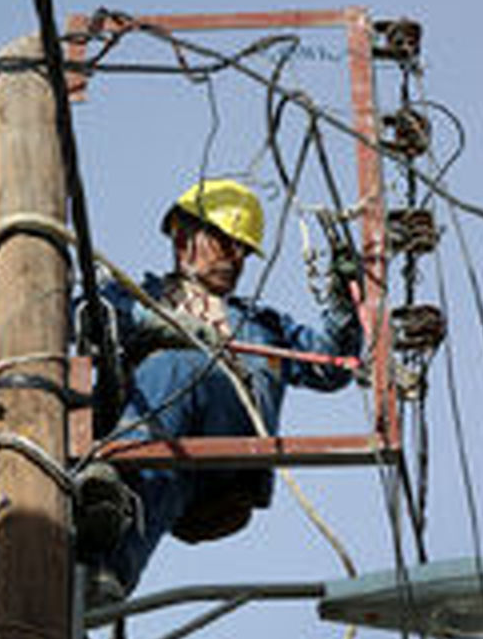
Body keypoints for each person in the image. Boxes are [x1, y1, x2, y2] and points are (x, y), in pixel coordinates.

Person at [74, 178, 363, 604]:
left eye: (244, 250)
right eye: (227, 242)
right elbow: (82, 315)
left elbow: (332, 367)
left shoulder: (265, 325)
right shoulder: (136, 297)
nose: (237, 258)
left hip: (230, 452)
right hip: (164, 446)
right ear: (183, 235)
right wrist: (155, 322)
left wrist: (345, 301)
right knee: (155, 478)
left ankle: (117, 473)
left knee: (178, 366)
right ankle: (101, 575)